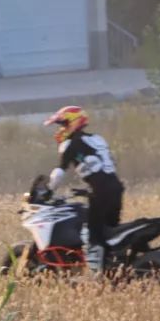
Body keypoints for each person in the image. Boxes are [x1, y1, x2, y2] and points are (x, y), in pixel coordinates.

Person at [45, 105, 125, 274]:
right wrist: (88, 189)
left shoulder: (70, 144)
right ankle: (116, 267)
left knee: (92, 235)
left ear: (73, 122)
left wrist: (48, 190)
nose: (61, 129)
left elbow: (60, 172)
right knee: (109, 232)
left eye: (63, 124)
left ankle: (98, 275)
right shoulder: (97, 139)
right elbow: (104, 168)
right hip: (116, 188)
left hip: (101, 192)